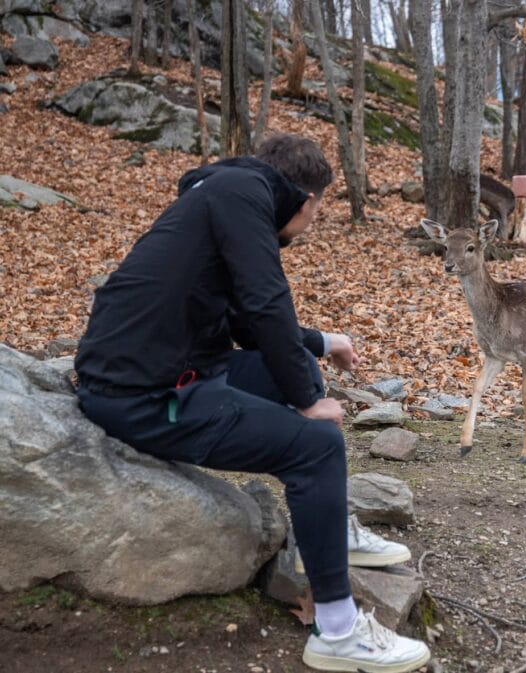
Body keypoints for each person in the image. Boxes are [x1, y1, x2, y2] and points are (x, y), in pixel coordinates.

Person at [74, 134, 431, 673]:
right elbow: (265, 302)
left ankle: (326, 531)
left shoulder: (221, 192)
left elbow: (243, 317)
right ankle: (336, 631)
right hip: (144, 396)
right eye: (317, 213)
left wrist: (318, 344)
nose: (310, 225)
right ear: (307, 201)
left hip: (163, 372)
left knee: (294, 372)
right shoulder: (242, 195)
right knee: (316, 445)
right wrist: (309, 402)